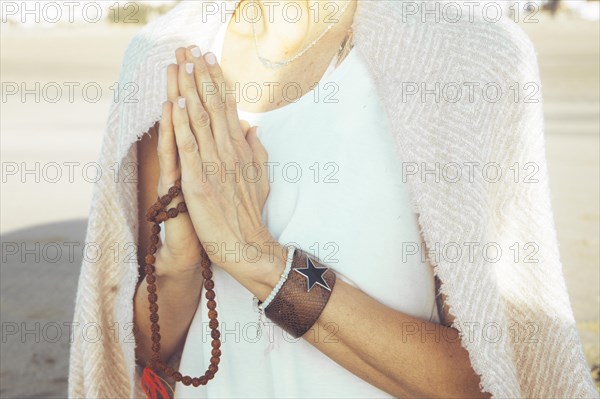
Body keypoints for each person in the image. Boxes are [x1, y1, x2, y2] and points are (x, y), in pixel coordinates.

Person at [68, 1, 598, 398]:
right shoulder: (164, 56)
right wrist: (179, 262)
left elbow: (490, 379)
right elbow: (141, 354)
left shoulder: (467, 56)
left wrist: (256, 259)